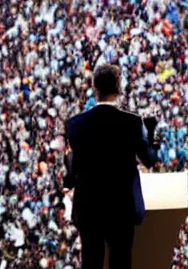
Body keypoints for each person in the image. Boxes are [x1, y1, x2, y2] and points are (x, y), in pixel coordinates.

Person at [64, 64, 159, 269]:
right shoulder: (132, 123)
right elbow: (150, 160)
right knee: (121, 261)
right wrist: (150, 136)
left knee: (91, 261)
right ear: (119, 88)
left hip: (88, 207)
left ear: (94, 88)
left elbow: (74, 169)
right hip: (121, 206)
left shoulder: (75, 125)